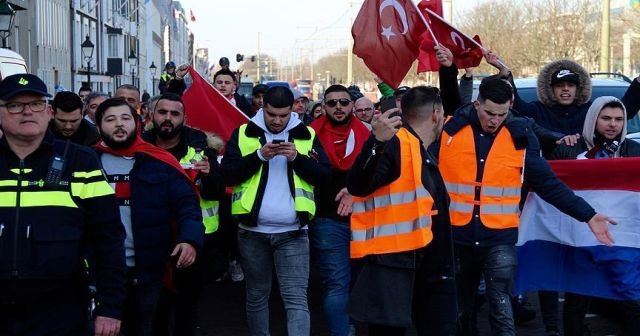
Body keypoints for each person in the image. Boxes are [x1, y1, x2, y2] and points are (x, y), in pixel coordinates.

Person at [437, 77, 616, 336]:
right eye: (489, 113)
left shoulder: (521, 135)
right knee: (460, 310)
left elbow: (548, 184)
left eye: (501, 114)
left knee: (501, 307)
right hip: (457, 239)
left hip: (499, 238)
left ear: (510, 106)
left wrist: (588, 215)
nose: (494, 120)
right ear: (477, 105)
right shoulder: (451, 130)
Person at [0, 73, 126, 335]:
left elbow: (109, 238)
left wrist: (110, 306)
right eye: (14, 105)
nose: (26, 112)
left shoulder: (81, 162)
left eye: (35, 104)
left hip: (61, 309)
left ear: (48, 112)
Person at [220, 86, 330, 336]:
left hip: (294, 232)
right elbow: (227, 174)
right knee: (257, 296)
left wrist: (297, 159)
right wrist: (259, 156)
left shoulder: (306, 134)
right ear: (262, 108)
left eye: (283, 115)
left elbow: (324, 176)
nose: (278, 121)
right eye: (271, 115)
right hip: (251, 231)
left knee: (296, 300)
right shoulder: (244, 133)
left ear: (292, 110)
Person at [347, 86, 457, 335]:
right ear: (436, 114)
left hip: (422, 267)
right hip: (393, 268)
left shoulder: (419, 149)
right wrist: (375, 143)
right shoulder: (396, 144)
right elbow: (358, 185)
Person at [93, 97, 204, 336]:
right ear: (99, 125)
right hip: (99, 273)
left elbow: (187, 205)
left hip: (150, 272)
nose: (119, 125)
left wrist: (190, 240)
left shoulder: (159, 161)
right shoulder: (86, 163)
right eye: (110, 119)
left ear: (137, 122)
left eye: (125, 118)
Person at [548, 96, 640, 336]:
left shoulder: (634, 151)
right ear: (593, 119)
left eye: (619, 119)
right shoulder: (569, 149)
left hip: (624, 239)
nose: (613, 124)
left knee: (632, 300)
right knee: (577, 300)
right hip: (582, 237)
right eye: (606, 118)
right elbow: (550, 187)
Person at [142, 92, 225, 336]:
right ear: (152, 115)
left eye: (175, 114)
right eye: (162, 112)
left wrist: (209, 174)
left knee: (186, 309)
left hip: (193, 239)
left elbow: (219, 190)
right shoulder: (140, 145)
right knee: (154, 308)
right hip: (152, 237)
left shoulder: (201, 146)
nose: (168, 118)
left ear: (184, 118)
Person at [308, 84, 370, 336]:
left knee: (357, 283)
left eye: (343, 102)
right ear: (323, 106)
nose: (338, 107)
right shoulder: (308, 135)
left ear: (352, 105)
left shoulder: (368, 134)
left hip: (364, 218)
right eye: (332, 103)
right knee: (336, 284)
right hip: (326, 220)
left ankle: (350, 324)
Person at [485, 53, 640, 152]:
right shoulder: (536, 110)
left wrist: (638, 83)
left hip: (588, 180)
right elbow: (514, 109)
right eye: (560, 85)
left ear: (578, 88)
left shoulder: (592, 109)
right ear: (551, 89)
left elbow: (623, 110)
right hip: (547, 179)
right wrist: (505, 73)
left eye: (570, 85)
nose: (565, 89)